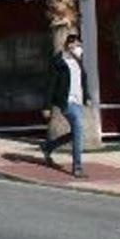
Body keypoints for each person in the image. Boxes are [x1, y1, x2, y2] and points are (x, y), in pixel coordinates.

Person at [41, 33, 91, 178]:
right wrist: (47, 106)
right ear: (69, 45)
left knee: (77, 132)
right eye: (76, 45)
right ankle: (78, 167)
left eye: (80, 45)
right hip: (67, 102)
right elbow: (51, 85)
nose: (79, 48)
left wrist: (87, 97)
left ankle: (48, 147)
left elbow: (82, 81)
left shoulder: (78, 61)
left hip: (79, 101)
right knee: (79, 128)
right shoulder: (59, 62)